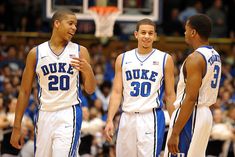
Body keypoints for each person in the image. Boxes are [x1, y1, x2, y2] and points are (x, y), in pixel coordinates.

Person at [10, 9, 96, 157]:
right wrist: (17, 127)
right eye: (70, 23)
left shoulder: (80, 51)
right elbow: (24, 92)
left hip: (69, 113)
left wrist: (88, 71)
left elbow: (90, 90)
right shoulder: (35, 54)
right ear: (57, 23)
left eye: (75, 24)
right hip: (44, 114)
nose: (74, 28)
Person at [104, 18, 176, 157]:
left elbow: (170, 95)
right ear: (136, 34)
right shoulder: (122, 58)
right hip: (127, 117)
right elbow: (117, 92)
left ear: (155, 36)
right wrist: (109, 120)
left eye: (150, 33)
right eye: (143, 32)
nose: (147, 36)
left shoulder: (165, 59)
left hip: (151, 117)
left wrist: (174, 125)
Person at [164, 14, 222, 157]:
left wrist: (175, 132)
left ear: (193, 32)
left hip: (191, 115)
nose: (184, 32)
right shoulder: (215, 55)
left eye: (186, 29)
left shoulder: (195, 58)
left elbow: (190, 98)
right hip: (205, 114)